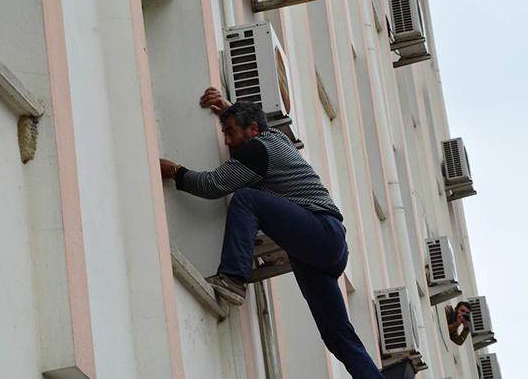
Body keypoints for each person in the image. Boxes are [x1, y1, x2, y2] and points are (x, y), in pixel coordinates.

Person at [159, 87, 384, 379]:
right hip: (323, 250)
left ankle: (233, 279)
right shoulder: (276, 138)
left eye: (229, 132)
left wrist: (176, 171)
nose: (226, 140)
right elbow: (254, 126)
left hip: (321, 231)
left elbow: (212, 185)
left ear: (252, 130)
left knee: (245, 198)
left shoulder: (258, 149)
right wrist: (230, 110)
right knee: (337, 336)